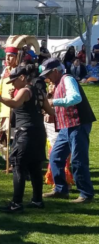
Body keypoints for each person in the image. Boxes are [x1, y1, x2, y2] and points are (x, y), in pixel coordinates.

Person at [0, 65, 54, 213]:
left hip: (25, 133)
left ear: (22, 78)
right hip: (39, 133)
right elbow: (50, 112)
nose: (13, 84)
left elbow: (15, 104)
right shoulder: (39, 91)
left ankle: (16, 203)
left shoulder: (24, 90)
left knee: (18, 164)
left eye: (14, 81)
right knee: (35, 167)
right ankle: (37, 200)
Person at [42, 58, 96, 204]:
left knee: (78, 160)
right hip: (66, 126)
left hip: (78, 124)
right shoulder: (57, 83)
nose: (47, 78)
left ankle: (86, 194)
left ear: (55, 71)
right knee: (55, 156)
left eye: (48, 74)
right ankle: (61, 189)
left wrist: (54, 102)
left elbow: (75, 98)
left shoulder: (67, 79)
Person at [0, 46, 19, 162]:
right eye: (7, 56)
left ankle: (15, 162)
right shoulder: (5, 71)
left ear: (17, 57)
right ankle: (8, 161)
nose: (8, 58)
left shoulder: (20, 71)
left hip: (15, 109)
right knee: (3, 136)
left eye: (11, 56)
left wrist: (15, 92)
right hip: (4, 110)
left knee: (13, 136)